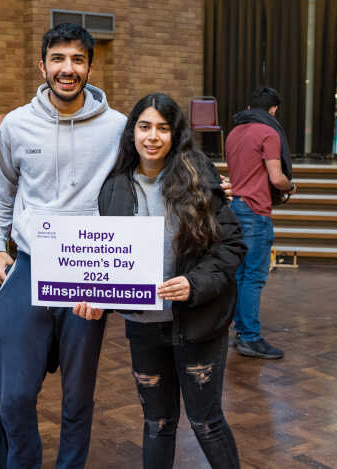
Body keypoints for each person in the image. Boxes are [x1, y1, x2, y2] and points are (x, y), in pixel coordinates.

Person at [0, 23, 127, 469]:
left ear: (90, 65)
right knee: (15, 396)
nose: (68, 69)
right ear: (42, 65)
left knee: (77, 397)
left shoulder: (119, 128)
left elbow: (143, 186)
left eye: (78, 59)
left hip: (89, 271)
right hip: (30, 264)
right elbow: (2, 190)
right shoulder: (15, 124)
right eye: (59, 59)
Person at [89, 93, 245, 469]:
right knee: (157, 424)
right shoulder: (114, 188)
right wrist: (94, 294)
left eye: (163, 128)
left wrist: (194, 284)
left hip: (196, 325)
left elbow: (232, 245)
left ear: (175, 135)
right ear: (132, 134)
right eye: (144, 127)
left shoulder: (198, 177)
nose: (153, 136)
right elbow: (106, 258)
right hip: (143, 328)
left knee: (206, 422)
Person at [226, 86, 295, 360]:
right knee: (253, 277)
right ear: (274, 109)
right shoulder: (268, 132)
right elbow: (276, 178)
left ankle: (242, 333)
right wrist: (292, 186)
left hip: (235, 209)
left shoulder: (233, 132)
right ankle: (251, 338)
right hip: (255, 212)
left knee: (241, 276)